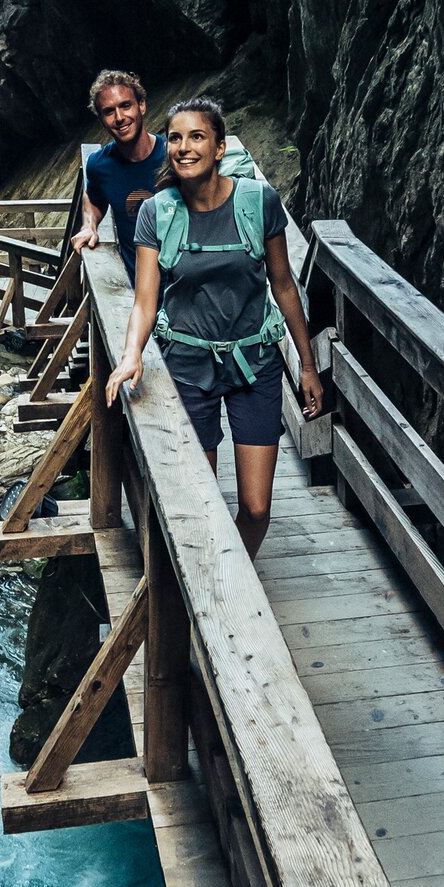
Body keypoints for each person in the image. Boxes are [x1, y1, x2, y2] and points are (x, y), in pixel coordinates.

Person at [104, 97, 323, 556]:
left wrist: (307, 366)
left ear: (220, 147)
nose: (184, 147)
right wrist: (130, 356)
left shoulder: (257, 201)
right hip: (187, 366)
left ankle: (234, 573)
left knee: (257, 508)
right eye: (177, 138)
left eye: (197, 136)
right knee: (202, 504)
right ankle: (216, 589)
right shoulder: (157, 213)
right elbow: (145, 302)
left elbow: (283, 286)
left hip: (255, 364)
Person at [71, 70, 165, 280]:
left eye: (125, 105)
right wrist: (89, 226)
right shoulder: (99, 165)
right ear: (101, 119)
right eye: (109, 111)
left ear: (141, 105)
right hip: (138, 288)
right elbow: (93, 198)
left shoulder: (173, 156)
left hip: (184, 288)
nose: (120, 117)